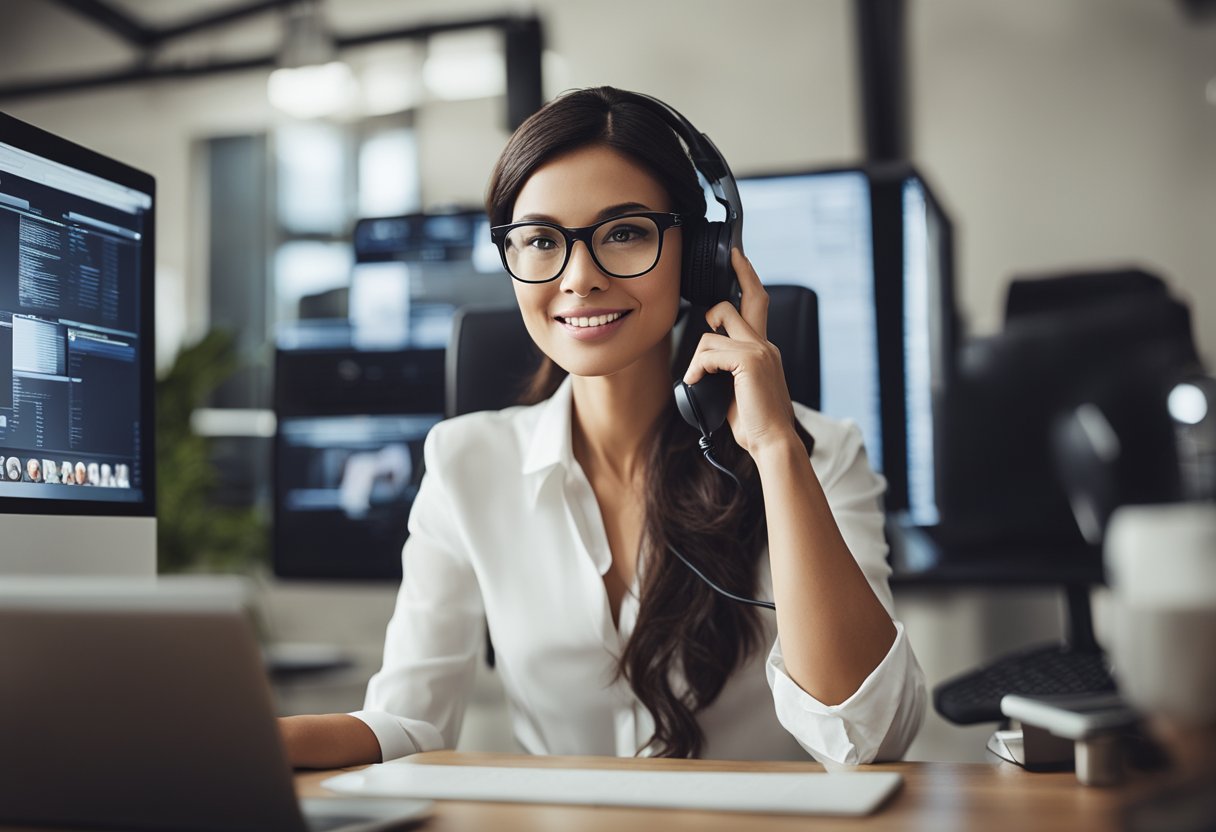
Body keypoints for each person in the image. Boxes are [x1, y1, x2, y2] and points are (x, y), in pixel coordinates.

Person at [280, 87, 926, 769]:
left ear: (699, 252)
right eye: (539, 240)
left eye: (624, 233)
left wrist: (773, 449)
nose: (579, 277)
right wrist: (249, 739)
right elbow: (410, 723)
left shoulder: (818, 456)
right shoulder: (466, 461)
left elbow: (870, 736)